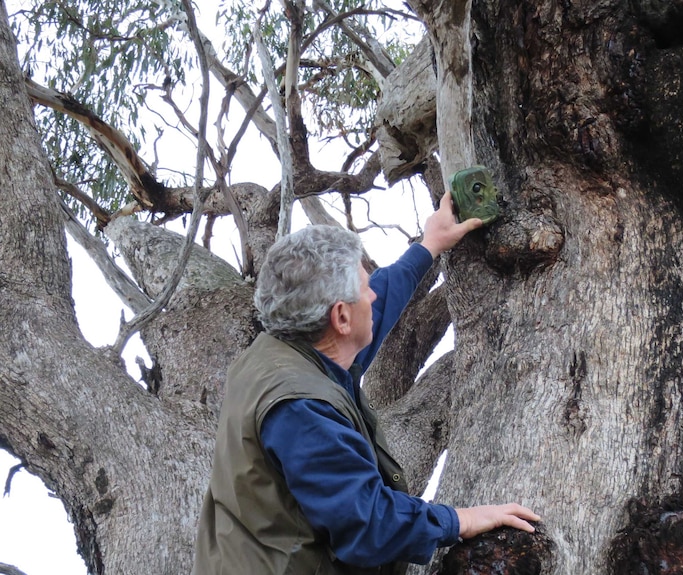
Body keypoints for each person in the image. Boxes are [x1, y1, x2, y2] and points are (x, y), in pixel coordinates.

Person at [192, 191, 540, 575]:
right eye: (364, 286)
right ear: (341, 318)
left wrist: (429, 245)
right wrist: (459, 521)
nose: (372, 293)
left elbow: (381, 300)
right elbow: (368, 524)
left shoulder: (292, 344)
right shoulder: (302, 408)